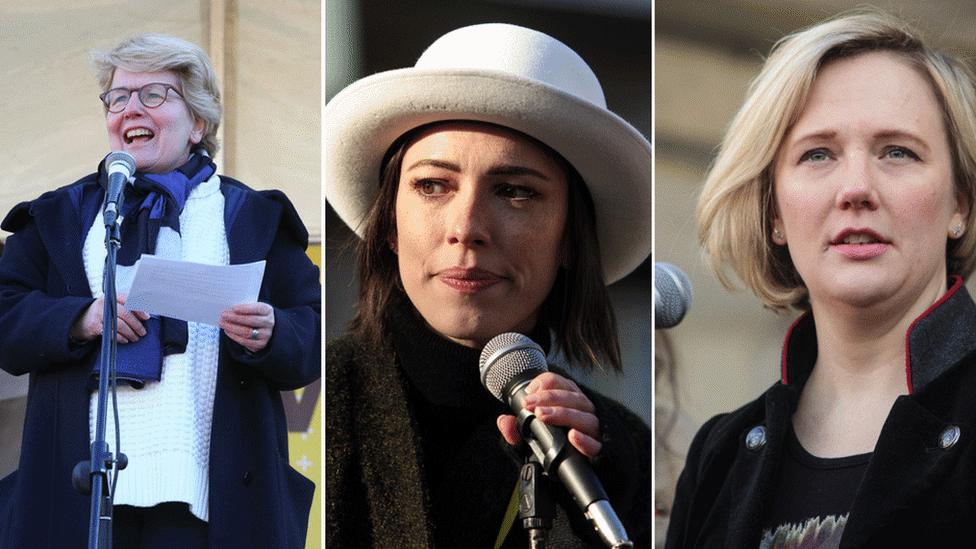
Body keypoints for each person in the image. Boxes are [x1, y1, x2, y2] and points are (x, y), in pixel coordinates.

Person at [325, 23, 651, 548]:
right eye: (433, 185)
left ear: (571, 238)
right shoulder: (314, 402)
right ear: (389, 224)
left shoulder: (621, 454)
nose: (467, 227)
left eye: (515, 192)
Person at [667, 10, 976, 548]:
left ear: (961, 205)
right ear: (775, 215)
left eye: (897, 151)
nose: (856, 187)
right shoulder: (717, 457)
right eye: (818, 154)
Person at [0, 34, 320, 548]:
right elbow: (6, 316)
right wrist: (81, 319)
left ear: (198, 122)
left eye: (153, 95)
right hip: (82, 491)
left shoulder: (252, 216)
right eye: (118, 97)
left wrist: (272, 331)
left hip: (208, 498)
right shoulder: (59, 215)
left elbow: (311, 329)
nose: (131, 108)